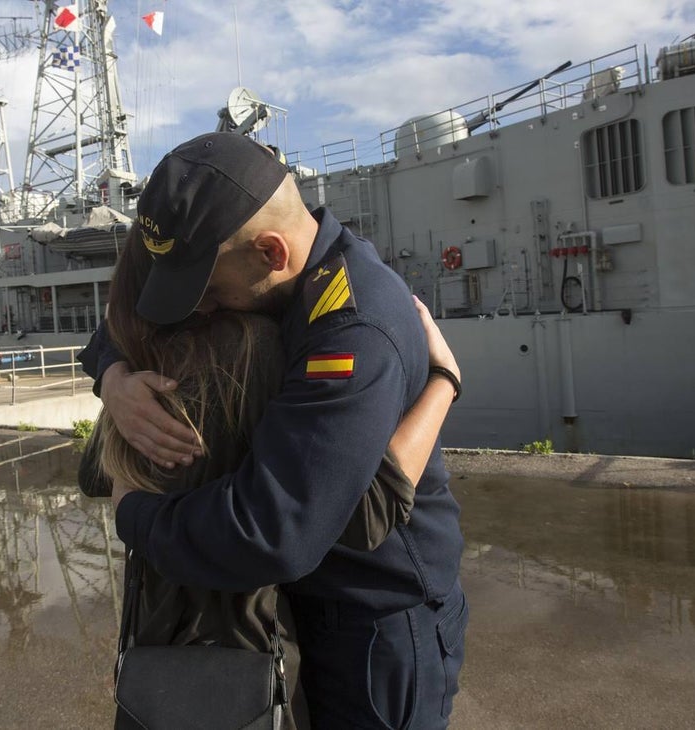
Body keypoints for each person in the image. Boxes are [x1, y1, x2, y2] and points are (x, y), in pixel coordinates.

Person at [81, 133, 467, 728]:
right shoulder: (259, 280)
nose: (200, 310)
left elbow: (274, 529)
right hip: (298, 597)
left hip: (375, 613)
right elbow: (134, 312)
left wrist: (133, 512)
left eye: (205, 290)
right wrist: (112, 376)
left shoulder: (351, 327)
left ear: (271, 253)